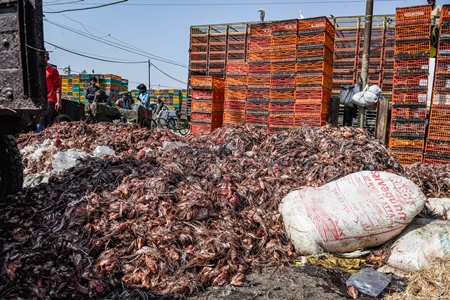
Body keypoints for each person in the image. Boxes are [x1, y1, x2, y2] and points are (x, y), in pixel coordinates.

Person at [37, 50, 62, 132]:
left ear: (47, 58)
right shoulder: (36, 71)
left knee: (43, 116)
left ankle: (38, 135)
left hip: (50, 98)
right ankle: (48, 134)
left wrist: (58, 101)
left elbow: (58, 86)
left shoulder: (52, 71)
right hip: (39, 99)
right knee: (45, 120)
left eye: (44, 57)